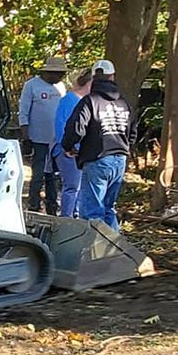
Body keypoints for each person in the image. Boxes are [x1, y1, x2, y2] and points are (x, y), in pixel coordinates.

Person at [60, 60, 133, 232]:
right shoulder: (124, 103)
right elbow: (133, 130)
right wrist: (126, 149)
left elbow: (76, 127)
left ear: (93, 78)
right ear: (112, 76)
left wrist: (68, 146)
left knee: (93, 211)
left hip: (97, 159)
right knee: (109, 209)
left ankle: (94, 253)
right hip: (119, 159)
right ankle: (115, 251)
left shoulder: (90, 101)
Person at [16, 55, 67, 214]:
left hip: (56, 139)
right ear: (48, 72)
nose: (60, 77)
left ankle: (52, 203)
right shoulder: (32, 86)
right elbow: (23, 111)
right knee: (38, 172)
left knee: (53, 174)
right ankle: (34, 203)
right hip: (38, 138)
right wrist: (26, 135)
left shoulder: (61, 88)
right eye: (57, 74)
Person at [49, 70, 94, 217]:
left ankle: (76, 215)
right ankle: (66, 217)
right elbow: (60, 124)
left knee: (81, 187)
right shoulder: (69, 100)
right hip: (68, 151)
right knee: (72, 186)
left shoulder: (87, 102)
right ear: (88, 84)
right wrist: (68, 146)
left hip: (82, 151)